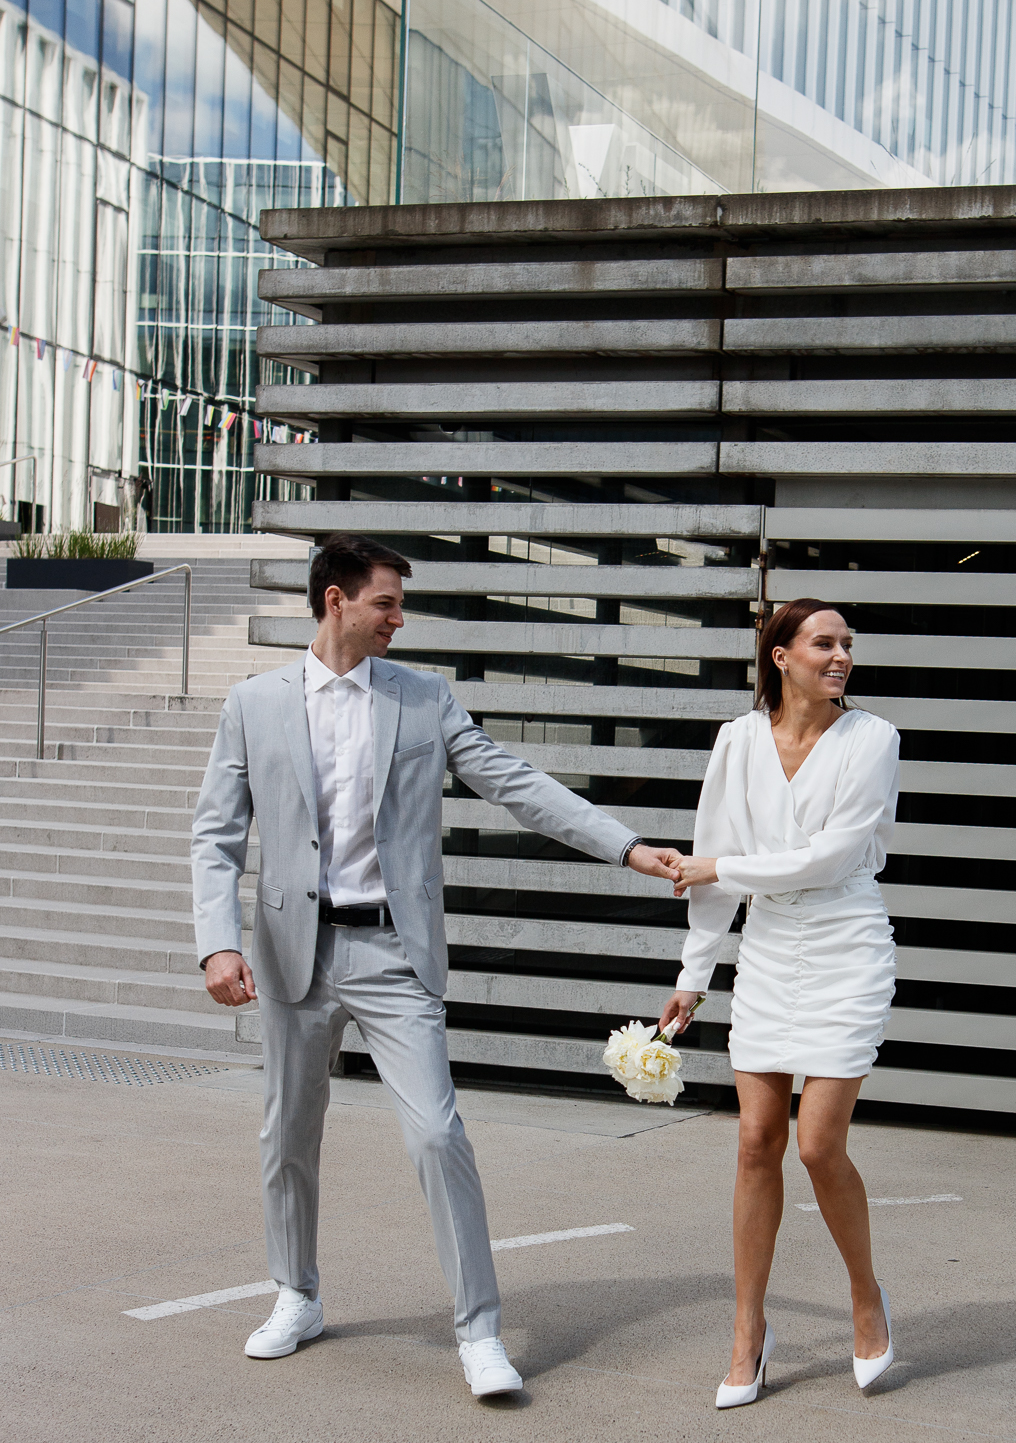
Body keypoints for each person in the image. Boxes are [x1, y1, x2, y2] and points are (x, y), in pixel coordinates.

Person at [192, 533, 676, 1398]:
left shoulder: (423, 698)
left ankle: (479, 1331)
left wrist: (626, 846)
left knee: (436, 1134)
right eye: (385, 602)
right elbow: (216, 833)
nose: (397, 618)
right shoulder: (253, 703)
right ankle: (295, 1295)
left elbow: (515, 782)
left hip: (392, 949)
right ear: (336, 600)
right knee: (287, 1134)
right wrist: (217, 941)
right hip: (292, 951)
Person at [656, 597, 902, 1409]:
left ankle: (864, 1298)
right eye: (823, 643)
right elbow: (712, 856)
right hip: (766, 951)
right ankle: (747, 1332)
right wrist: (694, 974)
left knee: (817, 1145)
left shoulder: (873, 738)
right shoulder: (736, 740)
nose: (841, 656)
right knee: (755, 1142)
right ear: (780, 655)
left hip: (845, 948)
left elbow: (828, 859)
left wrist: (721, 868)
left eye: (847, 644)